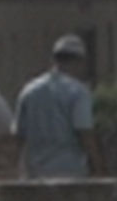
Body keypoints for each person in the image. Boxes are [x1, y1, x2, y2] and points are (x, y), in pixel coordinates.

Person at [13, 34, 93, 180]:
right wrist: (99, 168)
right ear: (79, 61)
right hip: (71, 174)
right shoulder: (78, 92)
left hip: (35, 174)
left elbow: (18, 138)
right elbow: (85, 134)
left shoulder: (29, 91)